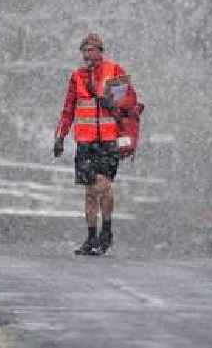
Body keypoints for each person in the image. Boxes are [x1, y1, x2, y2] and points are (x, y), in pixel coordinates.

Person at [53, 32, 131, 255]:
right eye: (84, 51)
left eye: (91, 50)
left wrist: (112, 102)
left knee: (103, 187)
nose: (87, 55)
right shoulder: (77, 77)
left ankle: (106, 233)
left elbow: (128, 102)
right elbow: (68, 109)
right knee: (90, 192)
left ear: (100, 50)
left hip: (108, 141)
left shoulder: (114, 71)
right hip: (85, 142)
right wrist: (60, 136)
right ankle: (91, 237)